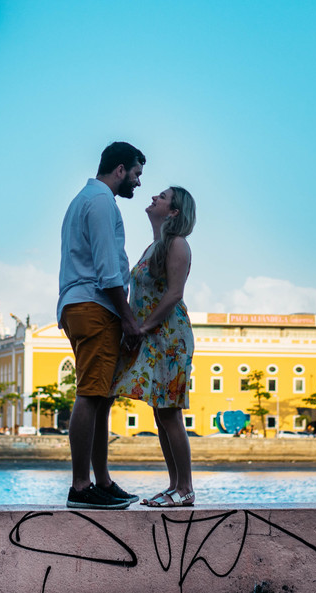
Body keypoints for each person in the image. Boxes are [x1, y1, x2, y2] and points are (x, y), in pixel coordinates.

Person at [57, 141, 146, 509]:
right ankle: (81, 487)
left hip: (82, 305)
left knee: (102, 397)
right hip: (94, 306)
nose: (139, 183)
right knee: (91, 394)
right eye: (137, 174)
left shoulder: (85, 199)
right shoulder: (101, 202)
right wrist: (128, 319)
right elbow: (108, 268)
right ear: (120, 169)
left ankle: (102, 481)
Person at [112, 185, 197, 507]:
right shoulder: (154, 246)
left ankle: (185, 488)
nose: (153, 198)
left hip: (169, 336)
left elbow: (174, 293)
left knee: (170, 412)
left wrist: (144, 326)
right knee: (161, 412)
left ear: (174, 212)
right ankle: (174, 485)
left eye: (162, 197)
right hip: (152, 336)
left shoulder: (177, 244)